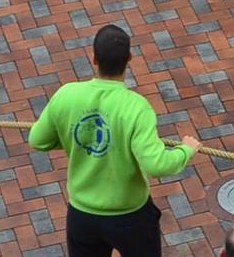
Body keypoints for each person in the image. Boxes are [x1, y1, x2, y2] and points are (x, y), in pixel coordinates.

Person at [28, 24, 199, 257]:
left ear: (94, 59)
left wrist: (75, 141)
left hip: (82, 216)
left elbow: (38, 140)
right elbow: (157, 165)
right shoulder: (137, 107)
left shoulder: (66, 94)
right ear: (129, 58)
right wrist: (185, 150)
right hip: (130, 217)